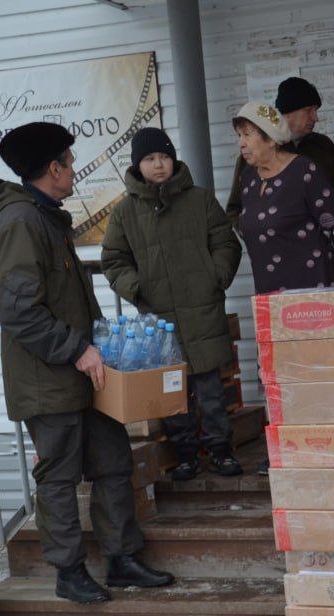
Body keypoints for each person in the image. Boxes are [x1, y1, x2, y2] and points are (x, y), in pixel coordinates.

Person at [0, 122, 173, 604]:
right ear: (53, 169)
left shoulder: (47, 216)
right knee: (60, 477)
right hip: (48, 379)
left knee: (113, 460)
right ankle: (68, 571)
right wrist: (75, 348)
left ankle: (121, 559)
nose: (74, 170)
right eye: (69, 162)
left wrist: (100, 348)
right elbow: (17, 309)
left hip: (84, 373)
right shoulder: (22, 222)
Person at [101, 127, 245, 481]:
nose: (159, 165)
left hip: (203, 309)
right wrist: (136, 288)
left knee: (210, 389)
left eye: (164, 157)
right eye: (150, 159)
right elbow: (114, 260)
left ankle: (221, 451)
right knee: (172, 391)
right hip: (159, 317)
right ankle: (185, 455)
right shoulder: (124, 213)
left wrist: (216, 274)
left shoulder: (200, 200)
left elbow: (226, 243)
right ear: (138, 165)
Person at [226, 77, 334, 283]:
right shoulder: (250, 164)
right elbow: (235, 209)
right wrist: (262, 231)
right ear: (290, 111)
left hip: (318, 273)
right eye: (309, 110)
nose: (315, 117)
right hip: (272, 273)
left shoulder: (320, 152)